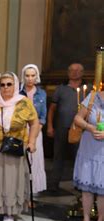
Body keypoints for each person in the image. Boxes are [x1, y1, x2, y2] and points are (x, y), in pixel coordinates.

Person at [0, 72, 40, 221]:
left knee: (12, 180)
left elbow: (34, 123)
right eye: (3, 84)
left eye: (9, 84)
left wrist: (32, 142)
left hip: (15, 146)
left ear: (15, 85)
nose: (6, 87)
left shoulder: (24, 102)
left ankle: (10, 212)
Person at [47, 63, 85, 191]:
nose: (74, 73)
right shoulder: (61, 89)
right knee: (58, 156)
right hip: (61, 127)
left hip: (80, 129)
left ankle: (80, 183)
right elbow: (52, 109)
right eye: (72, 70)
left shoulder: (89, 88)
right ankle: (53, 184)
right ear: (68, 73)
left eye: (77, 70)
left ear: (82, 73)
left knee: (79, 156)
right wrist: (50, 126)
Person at [71, 90, 104, 221]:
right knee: (87, 189)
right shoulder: (92, 96)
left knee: (103, 189)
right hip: (88, 147)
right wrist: (90, 127)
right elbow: (78, 118)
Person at [20, 64, 47, 194]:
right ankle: (20, 191)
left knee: (35, 161)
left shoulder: (42, 93)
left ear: (36, 76)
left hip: (36, 130)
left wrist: (35, 133)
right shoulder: (18, 92)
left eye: (32, 75)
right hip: (20, 130)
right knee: (21, 161)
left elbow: (42, 117)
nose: (30, 78)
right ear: (23, 77)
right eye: (27, 75)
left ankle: (31, 193)